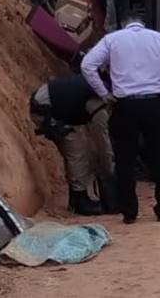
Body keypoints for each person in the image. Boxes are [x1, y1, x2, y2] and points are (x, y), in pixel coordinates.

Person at [80, 9, 160, 224]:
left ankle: (129, 212)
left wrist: (104, 93)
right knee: (159, 158)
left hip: (124, 106)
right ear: (142, 23)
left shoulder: (111, 40)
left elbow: (87, 65)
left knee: (125, 160)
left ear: (124, 23)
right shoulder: (157, 38)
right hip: (154, 104)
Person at [28, 74, 117, 215]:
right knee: (77, 153)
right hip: (46, 110)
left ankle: (75, 198)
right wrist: (109, 170)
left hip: (52, 106)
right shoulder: (99, 105)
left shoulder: (98, 87)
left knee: (78, 151)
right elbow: (102, 142)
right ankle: (80, 201)